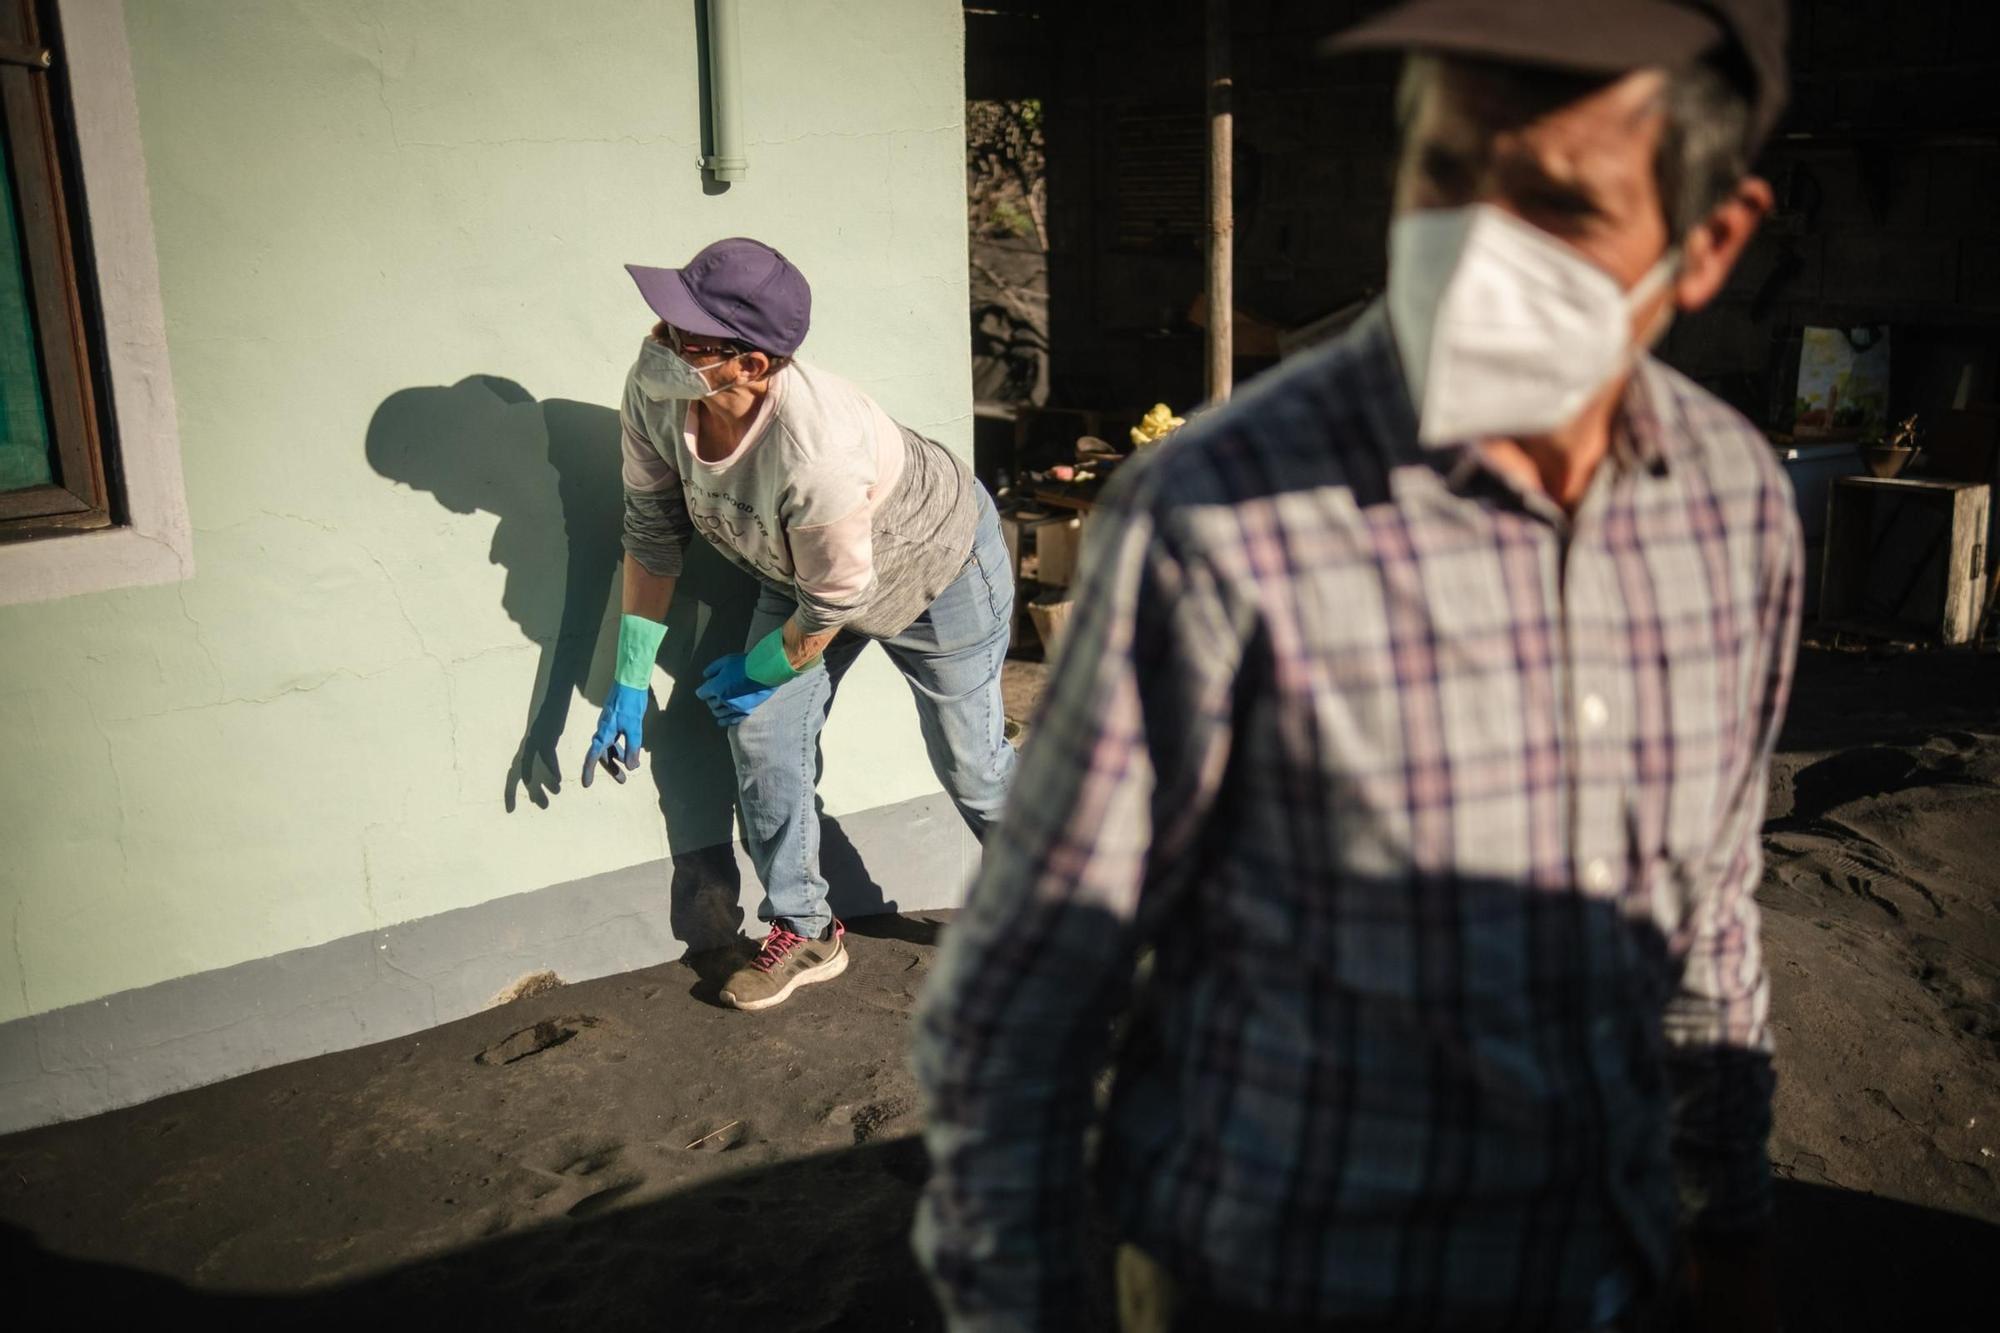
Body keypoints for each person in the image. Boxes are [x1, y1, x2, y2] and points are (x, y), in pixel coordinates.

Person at [913, 2, 1800, 1329]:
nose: (1479, 250)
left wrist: (1721, 1217)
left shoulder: (1733, 508)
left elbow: (1708, 908)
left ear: (1707, 241)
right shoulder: (1215, 519)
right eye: (1445, 171)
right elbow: (1016, 1009)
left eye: (1556, 202)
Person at [585, 237, 1017, 1012]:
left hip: (937, 564)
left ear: (753, 366)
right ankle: (808, 929)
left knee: (973, 765)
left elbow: (834, 603)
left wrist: (758, 669)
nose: (661, 345)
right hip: (801, 574)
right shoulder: (655, 393)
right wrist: (626, 680)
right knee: (761, 735)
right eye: (663, 324)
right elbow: (651, 534)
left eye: (688, 339)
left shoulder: (815, 449)